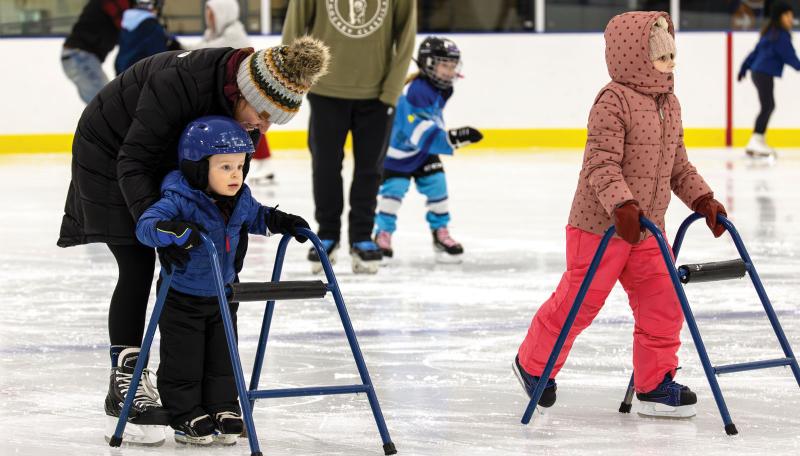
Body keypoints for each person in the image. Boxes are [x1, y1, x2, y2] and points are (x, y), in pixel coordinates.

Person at [56, 37, 329, 445]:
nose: (264, 128)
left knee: (202, 261)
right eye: (263, 115)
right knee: (137, 262)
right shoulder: (179, 83)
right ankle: (127, 386)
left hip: (168, 154)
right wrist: (156, 225)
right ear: (245, 94)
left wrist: (252, 218)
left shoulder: (243, 110)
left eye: (275, 120)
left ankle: (207, 396)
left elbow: (231, 184)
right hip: (112, 151)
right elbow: (134, 159)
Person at [513, 12, 728, 419]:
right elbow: (601, 164)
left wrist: (703, 200)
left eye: (671, 56)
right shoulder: (612, 100)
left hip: (648, 229)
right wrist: (621, 205)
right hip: (601, 225)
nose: (669, 64)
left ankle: (655, 383)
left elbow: (677, 166)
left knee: (663, 301)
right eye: (661, 57)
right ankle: (533, 365)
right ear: (635, 57)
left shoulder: (671, 103)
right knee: (581, 302)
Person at [135, 116, 309, 444]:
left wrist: (279, 220)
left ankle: (222, 406)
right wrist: (171, 231)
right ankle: (184, 413)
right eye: (225, 167)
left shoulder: (240, 199)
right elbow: (146, 226)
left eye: (240, 167)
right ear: (199, 168)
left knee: (222, 355)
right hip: (182, 295)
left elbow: (256, 216)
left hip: (224, 292)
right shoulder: (179, 199)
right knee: (183, 358)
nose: (235, 175)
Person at [282, 0, 417, 274]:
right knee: (326, 166)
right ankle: (327, 234)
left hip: (377, 95)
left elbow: (406, 34)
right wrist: (296, 79)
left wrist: (392, 90)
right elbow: (294, 27)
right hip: (325, 91)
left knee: (370, 170)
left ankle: (362, 237)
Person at [373, 37, 482, 264]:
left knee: (438, 186)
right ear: (428, 63)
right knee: (393, 194)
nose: (450, 71)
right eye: (445, 65)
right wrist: (454, 138)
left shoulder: (441, 88)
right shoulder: (414, 92)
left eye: (453, 66)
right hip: (398, 154)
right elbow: (421, 134)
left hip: (422, 152)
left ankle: (440, 233)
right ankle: (382, 235)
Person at [192, 0, 275, 184]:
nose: (208, 17)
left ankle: (264, 163)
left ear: (223, 13)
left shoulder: (234, 34)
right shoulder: (212, 34)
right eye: (207, 12)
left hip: (240, 94)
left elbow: (207, 53)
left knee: (253, 124)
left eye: (212, 12)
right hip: (225, 92)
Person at [738, 1, 800, 158]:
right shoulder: (780, 35)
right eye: (787, 15)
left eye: (791, 15)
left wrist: (744, 67)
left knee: (768, 106)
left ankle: (758, 140)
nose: (790, 18)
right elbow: (789, 56)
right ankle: (756, 140)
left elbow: (755, 52)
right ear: (779, 17)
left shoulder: (771, 33)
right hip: (763, 73)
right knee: (768, 106)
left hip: (759, 73)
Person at [61, 0, 130, 104]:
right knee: (106, 104)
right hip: (80, 56)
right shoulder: (112, 3)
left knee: (105, 104)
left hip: (78, 56)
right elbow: (126, 22)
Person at [114, 0, 174, 74]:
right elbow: (160, 61)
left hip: (123, 75)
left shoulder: (125, 26)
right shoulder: (153, 28)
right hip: (143, 77)